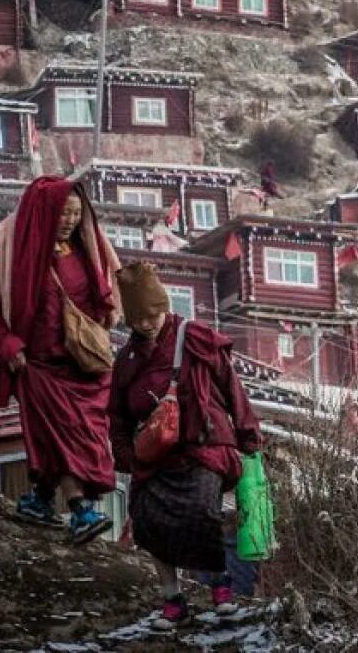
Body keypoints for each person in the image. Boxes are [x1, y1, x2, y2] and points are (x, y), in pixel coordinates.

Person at [108, 261, 262, 628]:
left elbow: (230, 385)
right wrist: (125, 454)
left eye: (151, 315)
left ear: (163, 306)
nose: (146, 324)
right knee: (147, 522)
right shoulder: (127, 360)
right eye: (137, 320)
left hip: (203, 445)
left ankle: (221, 589)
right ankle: (173, 600)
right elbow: (117, 415)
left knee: (199, 513)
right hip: (156, 456)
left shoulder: (193, 337)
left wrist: (247, 432)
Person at [0, 176, 122, 544]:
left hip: (85, 366)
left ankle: (39, 500)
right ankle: (80, 510)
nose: (70, 221)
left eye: (76, 213)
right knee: (60, 438)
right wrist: (10, 347)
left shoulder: (87, 254)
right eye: (63, 213)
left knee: (83, 436)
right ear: (45, 213)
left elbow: (104, 302)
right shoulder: (20, 258)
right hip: (40, 366)